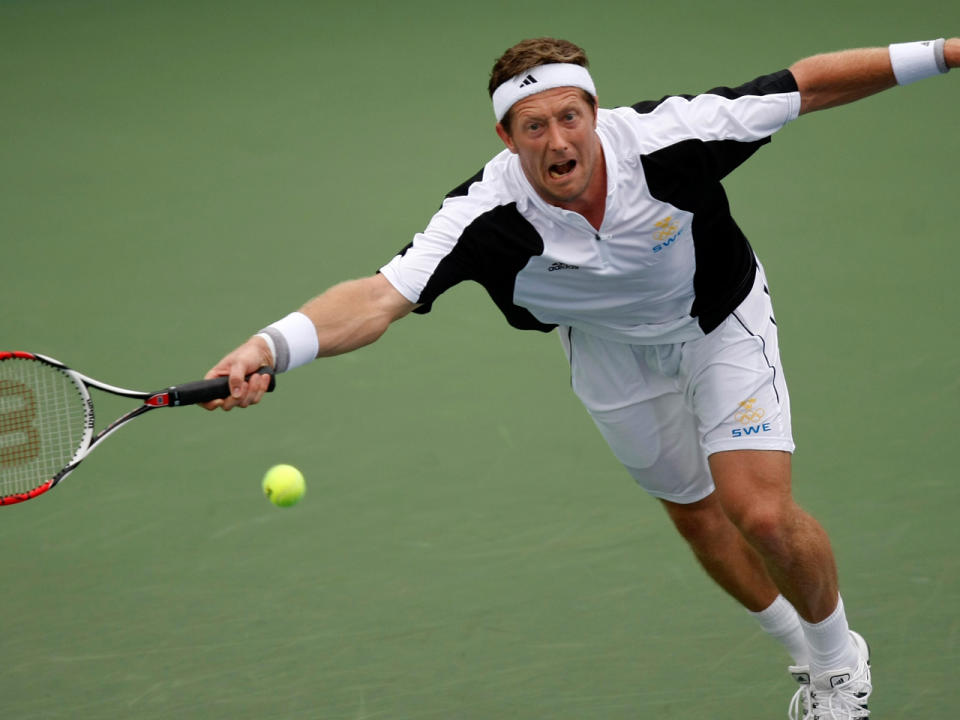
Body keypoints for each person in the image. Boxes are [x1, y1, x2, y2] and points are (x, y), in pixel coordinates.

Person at [203, 37, 958, 718]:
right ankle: (802, 646)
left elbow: (804, 87)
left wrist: (948, 52)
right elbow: (378, 296)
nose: (558, 139)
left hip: (719, 324)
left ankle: (837, 670)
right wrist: (270, 347)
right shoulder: (485, 213)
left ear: (595, 113)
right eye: (534, 126)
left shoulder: (670, 140)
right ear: (507, 137)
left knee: (756, 512)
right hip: (608, 352)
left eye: (571, 116)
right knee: (696, 517)